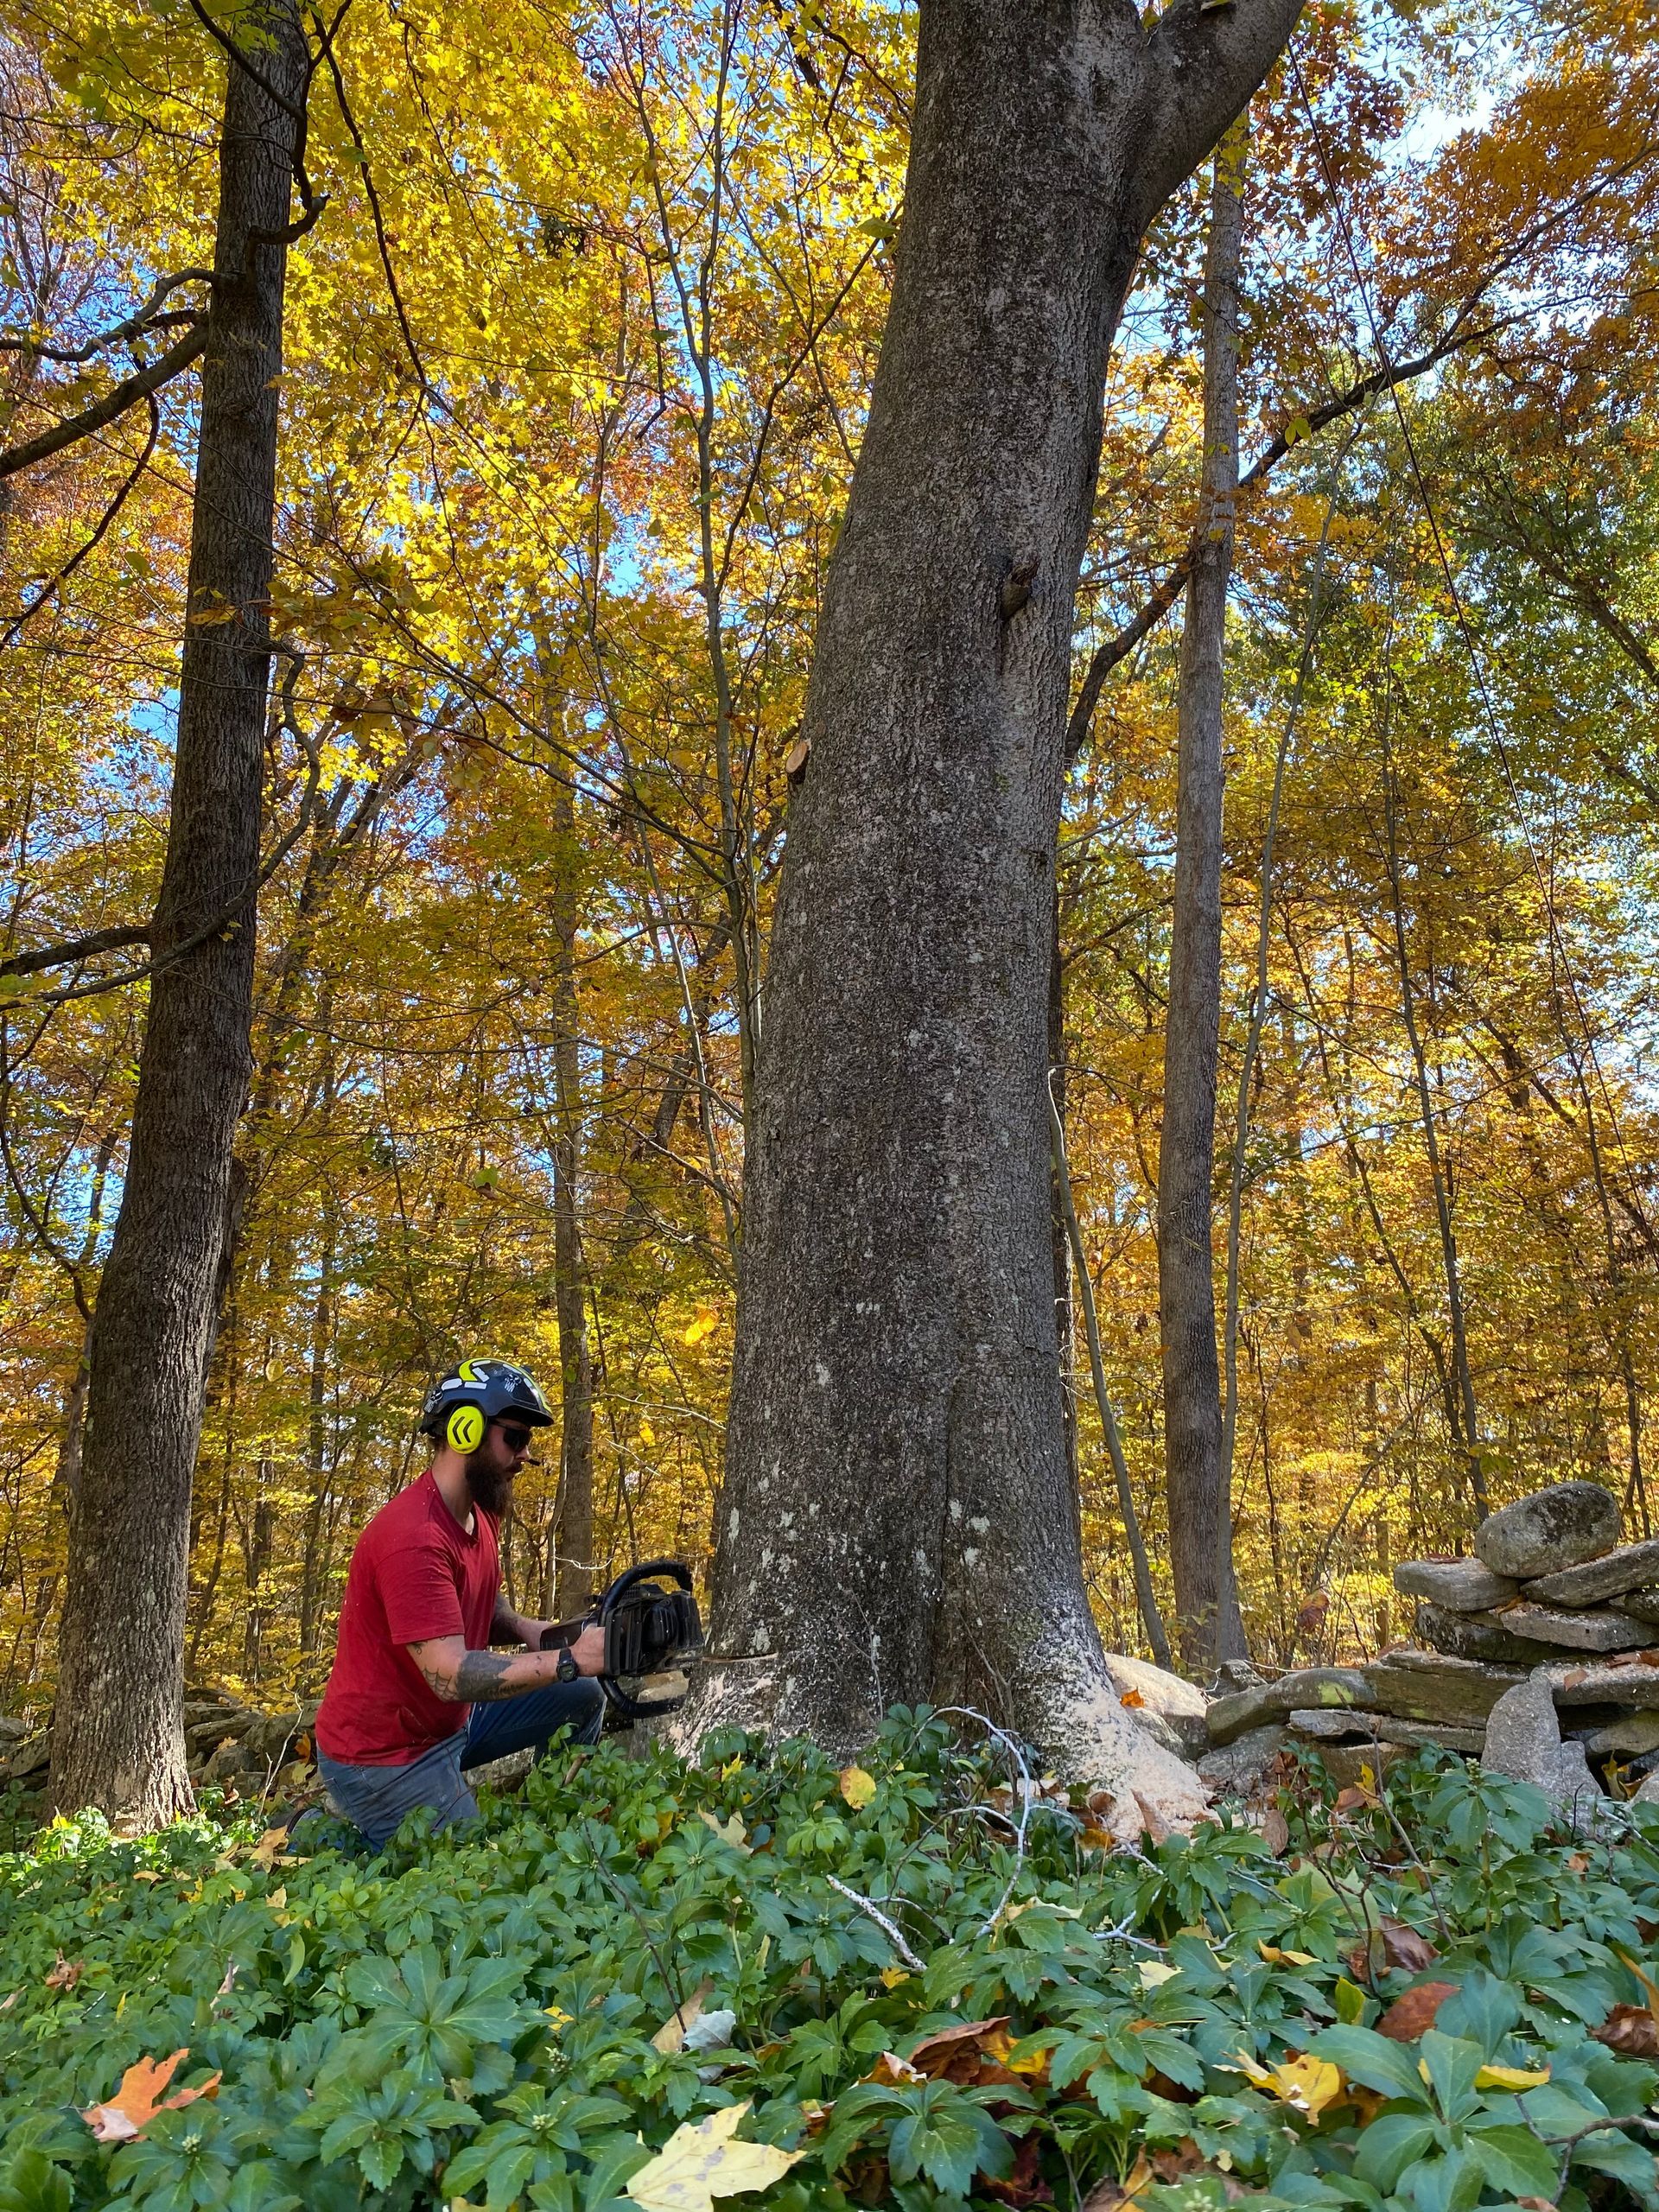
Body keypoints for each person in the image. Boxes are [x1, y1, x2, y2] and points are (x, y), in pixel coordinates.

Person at [313, 1357, 606, 1847]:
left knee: (582, 1698)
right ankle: (322, 1837)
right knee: (472, 1873)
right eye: (515, 1438)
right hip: (383, 1755)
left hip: (453, 1723)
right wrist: (571, 1660)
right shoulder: (413, 1537)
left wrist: (534, 1631)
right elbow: (448, 1676)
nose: (524, 1456)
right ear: (465, 1429)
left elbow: (481, 1603)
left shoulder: (476, 1515)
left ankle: (558, 1824)